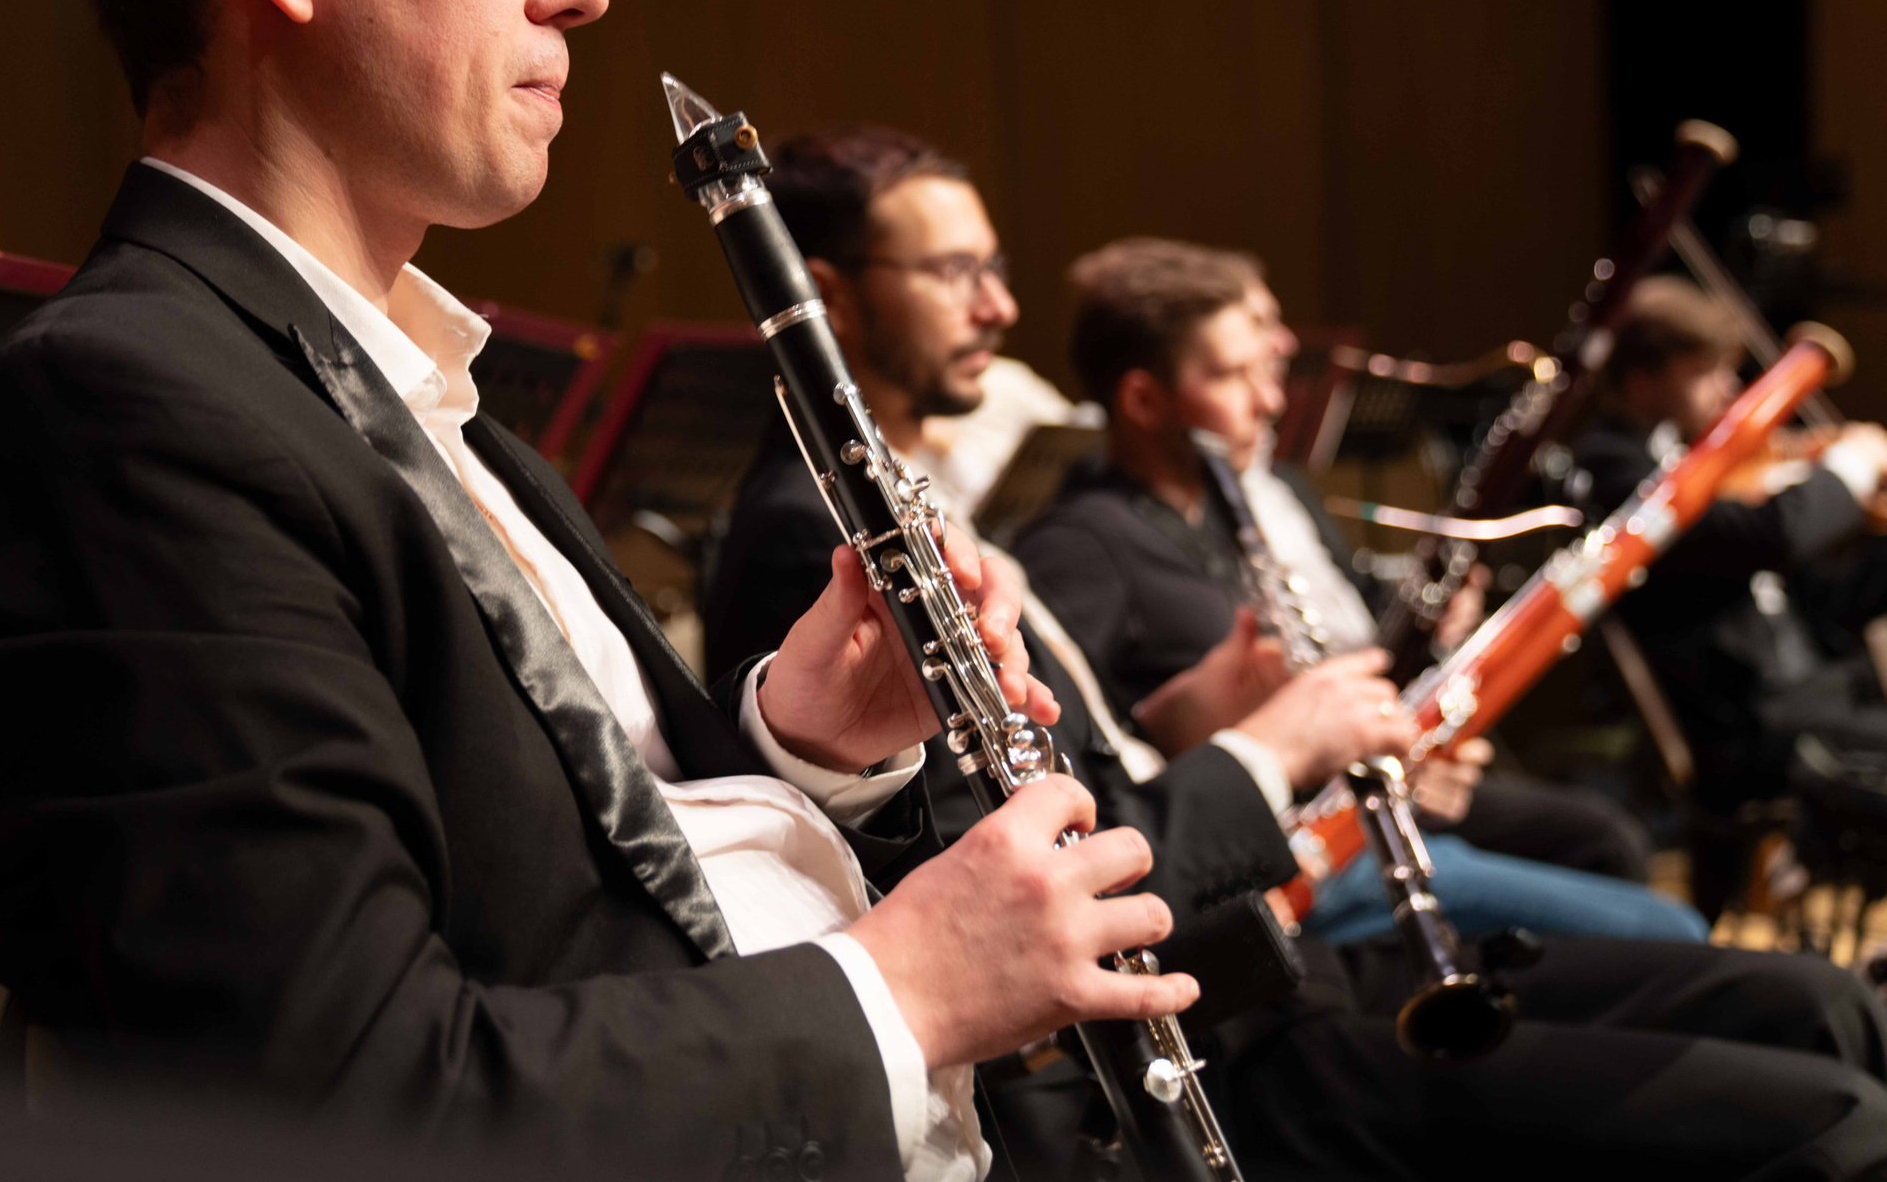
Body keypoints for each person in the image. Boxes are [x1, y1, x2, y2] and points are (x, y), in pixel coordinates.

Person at [0, 0, 1205, 1182]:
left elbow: (596, 889)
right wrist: (906, 986)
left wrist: (810, 747)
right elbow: (348, 1098)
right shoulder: (126, 420)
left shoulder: (427, 404)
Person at [700, 131, 1887, 1177]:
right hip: (1214, 1036)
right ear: (828, 299)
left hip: (1267, 961)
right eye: (956, 273)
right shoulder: (814, 544)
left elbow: (1066, 767)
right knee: (1828, 1118)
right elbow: (1028, 893)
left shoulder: (956, 485)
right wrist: (1273, 748)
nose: (1001, 308)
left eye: (997, 270)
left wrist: (1205, 708)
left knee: (1822, 1005)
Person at [1017, 237, 1686, 917]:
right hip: (1284, 852)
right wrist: (1208, 729)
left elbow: (1354, 620)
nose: (1270, 402)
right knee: (1639, 896)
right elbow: (1077, 752)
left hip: (1366, 790)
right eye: (1231, 377)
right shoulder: (1081, 545)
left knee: (1601, 839)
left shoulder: (1248, 493)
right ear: (1142, 399)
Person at [1570, 275, 1887, 916]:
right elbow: (1763, 537)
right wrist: (1846, 471)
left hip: (1810, 696)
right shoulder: (1616, 471)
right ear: (1642, 380)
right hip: (1748, 729)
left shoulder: (1707, 463)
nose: (1729, 393)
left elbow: (1819, 594)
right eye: (1703, 372)